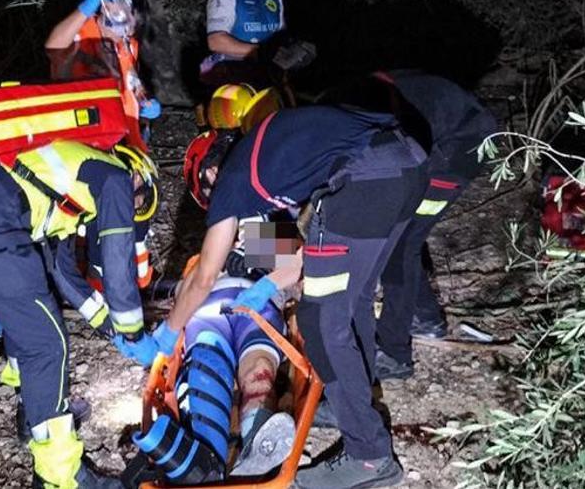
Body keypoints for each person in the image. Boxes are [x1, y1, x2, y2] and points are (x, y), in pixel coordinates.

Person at [162, 104, 433, 488]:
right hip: (406, 162)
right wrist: (267, 282)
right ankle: (353, 409)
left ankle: (369, 456)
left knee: (320, 321)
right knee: (352, 301)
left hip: (369, 176)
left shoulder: (236, 182)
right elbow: (304, 252)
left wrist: (170, 329)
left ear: (209, 172)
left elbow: (206, 274)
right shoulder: (268, 162)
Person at [0, 140, 159, 489]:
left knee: (29, 315)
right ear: (138, 176)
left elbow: (64, 274)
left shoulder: (72, 183)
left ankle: (32, 413)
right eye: (137, 202)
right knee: (47, 345)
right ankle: (61, 476)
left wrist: (109, 327)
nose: (131, 208)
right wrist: (134, 331)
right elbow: (117, 260)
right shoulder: (114, 179)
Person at [131, 221, 301, 483]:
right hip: (209, 307)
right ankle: (208, 469)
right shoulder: (214, 235)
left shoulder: (273, 226)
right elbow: (187, 285)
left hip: (257, 305)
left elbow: (296, 258)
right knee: (206, 366)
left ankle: (258, 446)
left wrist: (252, 247)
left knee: (258, 370)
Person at [366, 71, 497, 380]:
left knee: (400, 244)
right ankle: (425, 318)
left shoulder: (362, 122)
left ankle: (394, 353)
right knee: (398, 239)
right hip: (434, 135)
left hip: (458, 146)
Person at [46, 0, 159, 148]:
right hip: (80, 137)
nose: (126, 33)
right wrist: (84, 9)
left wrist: (144, 103)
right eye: (124, 23)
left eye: (132, 28)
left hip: (119, 138)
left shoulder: (128, 44)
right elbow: (54, 47)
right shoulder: (83, 31)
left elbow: (131, 87)